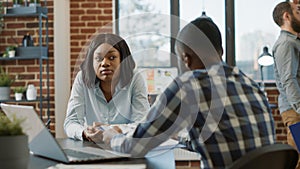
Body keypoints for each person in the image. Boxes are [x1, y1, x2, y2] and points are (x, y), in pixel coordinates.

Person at [101, 17, 276, 169]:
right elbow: (231, 137)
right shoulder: (249, 83)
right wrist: (181, 137)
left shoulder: (188, 85)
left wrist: (111, 137)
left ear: (186, 58)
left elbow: (136, 146)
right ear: (220, 51)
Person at [64, 33, 150, 142]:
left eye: (112, 57)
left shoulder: (135, 78)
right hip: (93, 146)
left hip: (127, 145)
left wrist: (115, 130)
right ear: (92, 62)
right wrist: (84, 133)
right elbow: (71, 122)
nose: (105, 63)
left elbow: (143, 123)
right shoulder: (82, 78)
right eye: (99, 58)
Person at [272, 1, 300, 168]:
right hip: (295, 111)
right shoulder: (286, 44)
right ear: (287, 16)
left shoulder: (293, 41)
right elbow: (289, 79)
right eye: (298, 12)